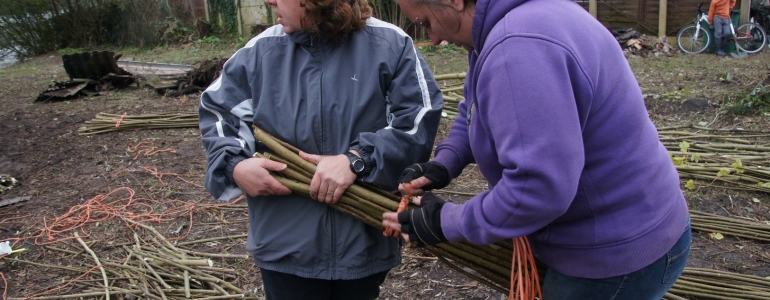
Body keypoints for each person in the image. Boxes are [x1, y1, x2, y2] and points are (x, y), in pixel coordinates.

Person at [381, 0, 692, 299]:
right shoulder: (506, 23)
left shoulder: (518, 48)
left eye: (425, 22)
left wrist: (447, 221)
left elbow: (538, 190)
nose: (433, 39)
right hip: (640, 218)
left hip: (615, 253)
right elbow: (474, 106)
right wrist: (446, 162)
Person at [198, 0, 443, 298]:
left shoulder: (390, 45)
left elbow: (417, 122)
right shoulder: (260, 52)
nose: (269, 1)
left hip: (363, 240)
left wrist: (357, 160)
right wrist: (235, 166)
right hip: (284, 244)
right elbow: (219, 112)